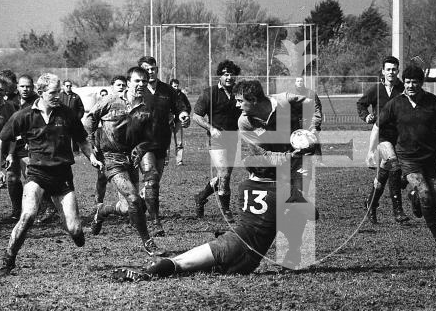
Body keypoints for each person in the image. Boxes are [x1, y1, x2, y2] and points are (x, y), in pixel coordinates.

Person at [112, 80, 315, 280]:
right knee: (197, 267)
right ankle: (293, 255)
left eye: (240, 101)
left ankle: (160, 266)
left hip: (232, 241)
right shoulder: (284, 191)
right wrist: (296, 158)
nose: (237, 106)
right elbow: (312, 214)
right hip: (248, 258)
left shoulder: (245, 186)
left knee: (184, 263)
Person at [0, 73, 103, 277]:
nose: (58, 96)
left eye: (60, 92)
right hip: (36, 174)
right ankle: (8, 259)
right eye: (53, 92)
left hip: (62, 176)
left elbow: (82, 141)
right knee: (27, 216)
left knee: (75, 231)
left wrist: (92, 158)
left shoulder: (67, 114)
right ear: (42, 92)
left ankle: (75, 232)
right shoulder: (25, 115)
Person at [369, 65, 436, 252]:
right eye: (407, 82)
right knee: (426, 196)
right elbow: (378, 126)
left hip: (431, 158)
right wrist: (370, 151)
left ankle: (414, 196)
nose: (410, 85)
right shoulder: (396, 103)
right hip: (408, 159)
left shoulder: (432, 102)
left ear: (421, 83)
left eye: (414, 82)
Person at [84, 67, 167, 257]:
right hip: (111, 158)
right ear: (128, 82)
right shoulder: (110, 101)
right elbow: (89, 120)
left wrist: (141, 147)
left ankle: (102, 211)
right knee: (135, 199)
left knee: (127, 206)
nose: (141, 85)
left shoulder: (147, 108)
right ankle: (148, 242)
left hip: (131, 159)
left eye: (144, 81)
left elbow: (150, 137)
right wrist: (91, 146)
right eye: (137, 81)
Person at [137, 56, 191, 236]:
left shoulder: (167, 90)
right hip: (142, 143)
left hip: (162, 142)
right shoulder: (137, 90)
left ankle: (138, 206)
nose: (151, 72)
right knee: (151, 179)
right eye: (147, 69)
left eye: (153, 68)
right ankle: (155, 222)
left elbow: (180, 106)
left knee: (153, 183)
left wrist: (183, 114)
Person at [358, 56, 406, 224]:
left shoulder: (403, 88)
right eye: (388, 69)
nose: (391, 72)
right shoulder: (376, 89)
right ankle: (398, 210)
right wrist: (366, 117)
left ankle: (371, 204)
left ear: (398, 71)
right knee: (394, 165)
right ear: (383, 71)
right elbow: (361, 104)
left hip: (401, 136)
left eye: (394, 69)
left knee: (384, 174)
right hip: (382, 135)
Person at [191, 60, 241, 221]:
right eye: (226, 74)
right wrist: (211, 129)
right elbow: (196, 116)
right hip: (217, 140)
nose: (229, 77)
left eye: (232, 74)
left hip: (234, 138)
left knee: (222, 176)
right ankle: (226, 210)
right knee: (225, 175)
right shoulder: (209, 93)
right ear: (220, 75)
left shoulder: (239, 92)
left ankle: (201, 196)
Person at [5, 74, 58, 224]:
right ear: (17, 87)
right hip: (11, 144)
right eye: (22, 86)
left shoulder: (37, 100)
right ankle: (17, 211)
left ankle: (47, 207)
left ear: (33, 87)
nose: (25, 89)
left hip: (29, 145)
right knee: (12, 178)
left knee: (32, 175)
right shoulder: (11, 101)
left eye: (28, 86)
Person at [93, 75, 127, 205]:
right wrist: (93, 142)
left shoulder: (128, 103)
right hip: (103, 144)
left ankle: (124, 204)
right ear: (112, 87)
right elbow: (91, 122)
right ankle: (98, 202)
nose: (121, 87)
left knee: (123, 175)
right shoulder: (103, 104)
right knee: (102, 177)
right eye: (119, 85)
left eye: (123, 85)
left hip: (122, 147)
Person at [0, 77, 18, 214]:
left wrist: (10, 153)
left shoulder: (9, 107)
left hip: (0, 153)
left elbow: (14, 134)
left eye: (1, 90)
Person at [58, 79, 85, 154]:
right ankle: (64, 152)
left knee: (75, 136)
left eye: (70, 86)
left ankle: (76, 152)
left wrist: (78, 118)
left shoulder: (76, 96)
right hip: (62, 121)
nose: (69, 87)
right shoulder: (59, 96)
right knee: (63, 137)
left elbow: (81, 109)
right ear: (63, 86)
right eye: (67, 86)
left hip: (74, 121)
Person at [169, 78, 190, 166]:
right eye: (174, 86)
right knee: (166, 141)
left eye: (177, 86)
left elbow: (187, 106)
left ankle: (179, 160)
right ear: (170, 86)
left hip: (178, 121)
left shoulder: (182, 96)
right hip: (168, 121)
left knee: (179, 142)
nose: (176, 88)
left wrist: (185, 115)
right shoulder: (166, 95)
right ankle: (165, 160)